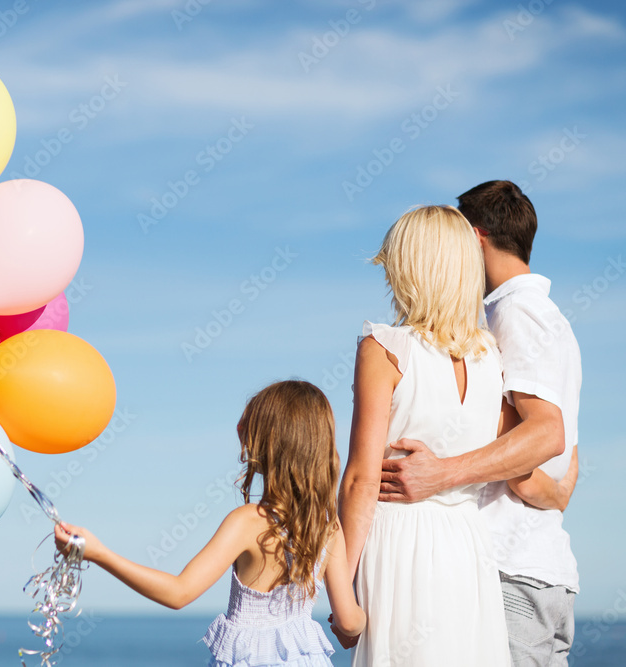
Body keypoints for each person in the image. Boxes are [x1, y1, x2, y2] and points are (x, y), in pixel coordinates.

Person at [380, 180, 581, 665]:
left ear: (474, 236)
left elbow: (545, 433)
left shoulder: (512, 312)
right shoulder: (550, 319)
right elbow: (548, 439)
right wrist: (551, 492)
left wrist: (442, 474)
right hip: (542, 570)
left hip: (510, 571)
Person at [55, 380, 366, 667]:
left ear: (270, 443)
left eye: (250, 425)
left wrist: (98, 553)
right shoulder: (326, 526)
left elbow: (179, 593)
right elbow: (350, 622)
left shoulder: (247, 522)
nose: (239, 429)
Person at [339, 205, 512, 666]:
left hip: (402, 542)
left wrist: (343, 582)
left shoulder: (385, 348)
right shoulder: (491, 358)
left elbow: (360, 479)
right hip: (468, 543)